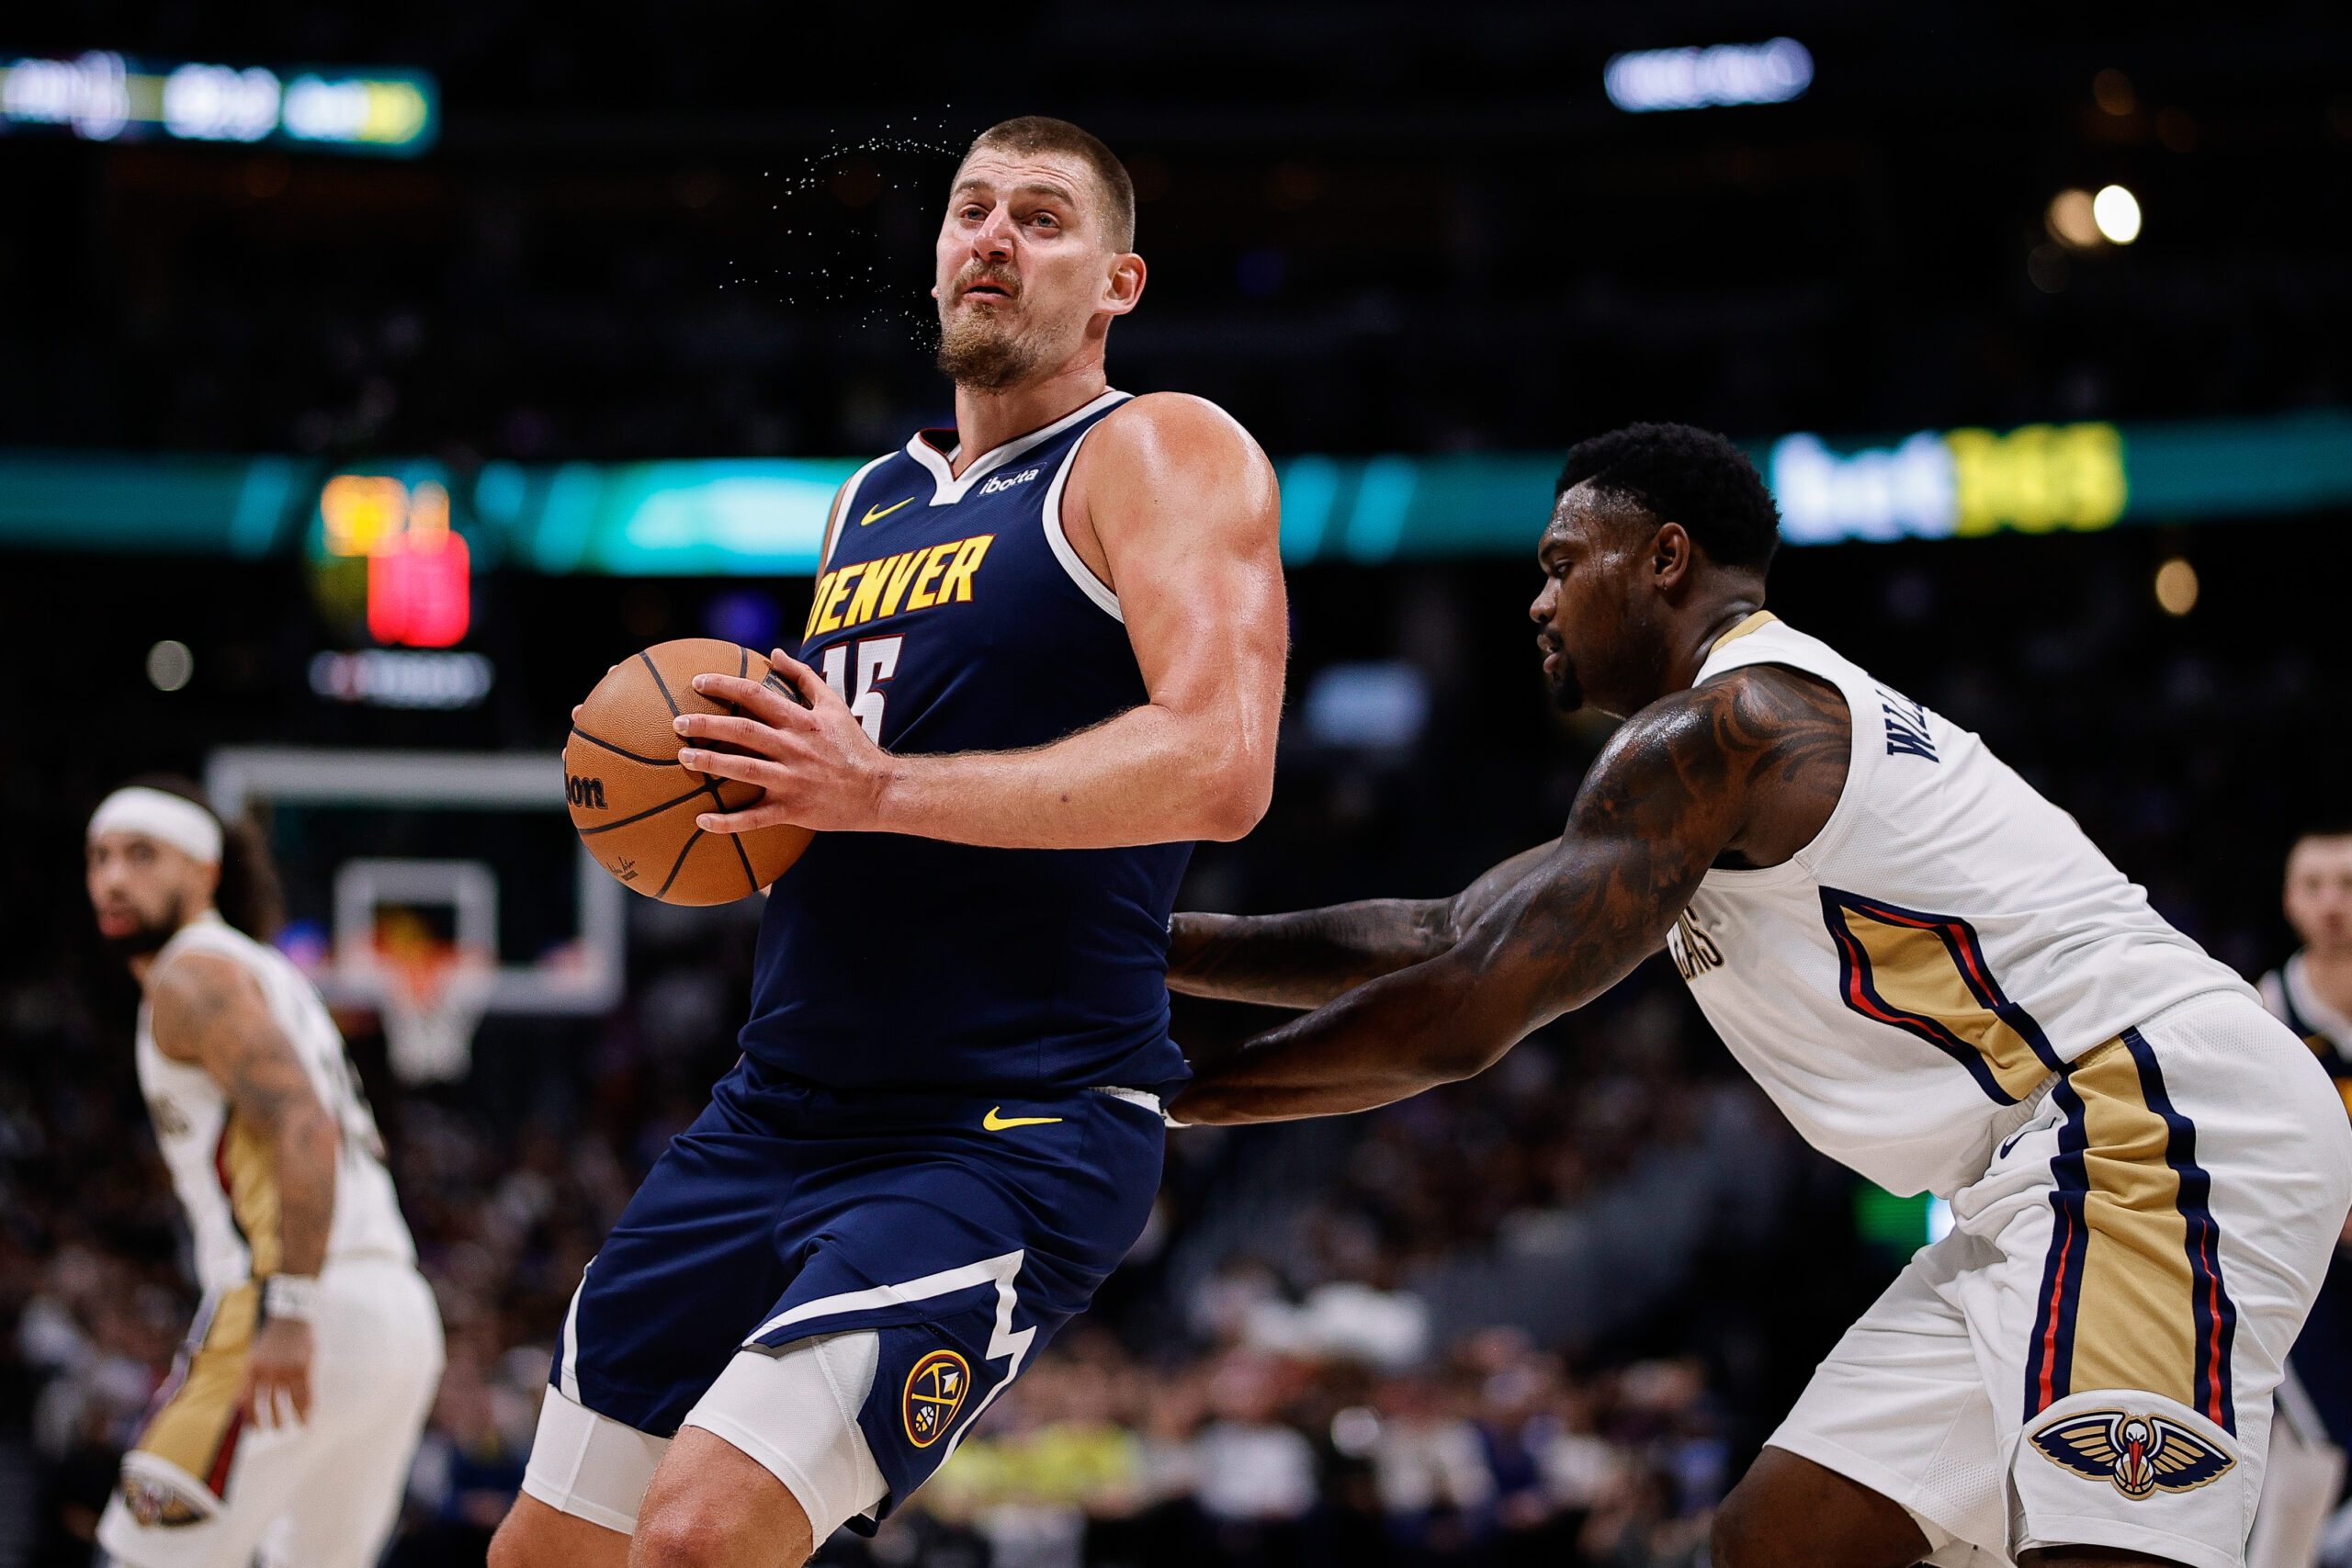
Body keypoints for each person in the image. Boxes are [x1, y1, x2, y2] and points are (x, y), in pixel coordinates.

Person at [1163, 422, 2352, 1568]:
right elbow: (1445, 930)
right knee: (1780, 1535)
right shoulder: (1704, 759)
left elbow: (1466, 1010)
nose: (1537, 602)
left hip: (2150, 1116)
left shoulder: (1736, 723)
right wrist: (1144, 946)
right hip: (2045, 1164)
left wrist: (1160, 1092)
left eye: (1561, 566)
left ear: (1665, 558)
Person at [492, 116, 1285, 1568]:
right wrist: (742, 786)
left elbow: (1222, 762)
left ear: (1119, 280)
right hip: (777, 1104)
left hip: (1005, 1123)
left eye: (1040, 218)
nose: (991, 236)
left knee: (699, 1534)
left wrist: (875, 791)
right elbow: (840, 786)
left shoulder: (1159, 449)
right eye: (970, 209)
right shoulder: (870, 498)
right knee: (546, 1552)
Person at [84, 778, 444, 1567]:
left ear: (205, 873)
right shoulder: (269, 971)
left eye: (142, 856)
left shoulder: (194, 974)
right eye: (100, 858)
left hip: (296, 1308)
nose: (113, 878)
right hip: (399, 1314)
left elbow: (301, 1121)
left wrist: (292, 1306)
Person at [2247, 828, 2352, 1567]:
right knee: (2311, 1457)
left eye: (2347, 884)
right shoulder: (2266, 1008)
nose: (2333, 904)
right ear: (2289, 899)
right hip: (2310, 1273)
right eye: (2314, 885)